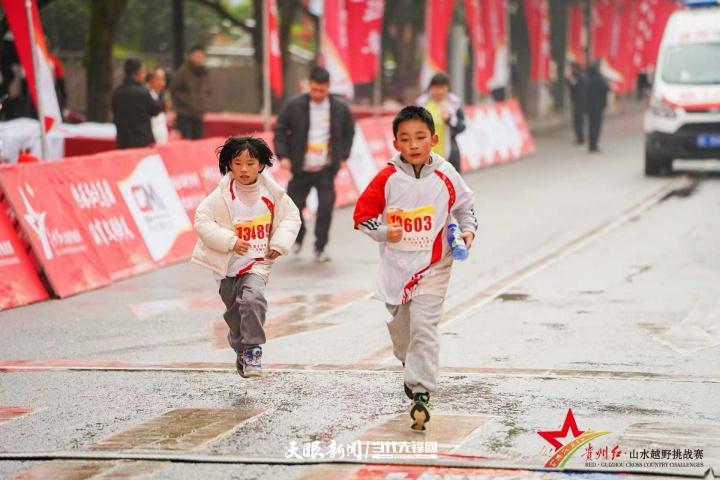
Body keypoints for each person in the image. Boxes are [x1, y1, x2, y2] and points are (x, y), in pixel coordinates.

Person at [353, 106, 477, 431]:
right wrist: (384, 232)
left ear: (434, 139)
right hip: (397, 269)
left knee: (425, 327)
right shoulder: (387, 177)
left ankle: (421, 391)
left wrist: (468, 232)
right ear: (396, 143)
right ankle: (409, 361)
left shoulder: (447, 174)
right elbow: (362, 216)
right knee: (404, 331)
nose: (414, 144)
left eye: (421, 137)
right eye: (406, 139)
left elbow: (466, 209)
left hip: (435, 265)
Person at [191, 136, 301, 378]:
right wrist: (230, 241)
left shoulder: (272, 194)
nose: (244, 169)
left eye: (250, 163)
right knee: (234, 313)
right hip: (227, 267)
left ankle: (253, 349)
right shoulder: (221, 195)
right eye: (237, 163)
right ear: (228, 164)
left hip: (258, 264)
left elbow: (292, 218)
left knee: (252, 301)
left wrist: (279, 244)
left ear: (261, 165)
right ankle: (240, 347)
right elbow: (201, 220)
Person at [274, 66, 355, 262]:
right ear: (308, 86)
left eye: (322, 90)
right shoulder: (295, 106)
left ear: (328, 87)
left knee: (326, 206)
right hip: (301, 167)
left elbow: (349, 133)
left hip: (326, 168)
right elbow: (280, 129)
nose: (318, 94)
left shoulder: (339, 108)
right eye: (314, 89)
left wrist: (343, 156)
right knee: (294, 206)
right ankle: (299, 237)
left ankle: (320, 246)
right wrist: (283, 155)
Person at [416, 73, 466, 172]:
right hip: (426, 154)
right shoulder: (422, 104)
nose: (439, 91)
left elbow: (462, 127)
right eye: (436, 87)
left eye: (442, 87)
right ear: (430, 88)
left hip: (448, 153)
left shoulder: (453, 104)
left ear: (447, 88)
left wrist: (449, 120)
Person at [111, 59, 162, 149]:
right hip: (142, 140)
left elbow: (114, 110)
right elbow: (155, 110)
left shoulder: (116, 92)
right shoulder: (143, 92)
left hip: (123, 140)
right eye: (143, 71)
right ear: (137, 73)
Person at [169, 44, 211, 140]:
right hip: (185, 115)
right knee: (186, 141)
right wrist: (187, 101)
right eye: (197, 56)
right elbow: (174, 89)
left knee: (198, 142)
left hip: (199, 114)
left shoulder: (204, 72)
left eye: (202, 56)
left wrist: (204, 102)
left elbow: (208, 90)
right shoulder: (183, 72)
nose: (199, 58)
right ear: (190, 56)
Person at [585, 61, 609, 153]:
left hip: (589, 106)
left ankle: (591, 144)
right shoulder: (599, 79)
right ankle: (594, 145)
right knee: (596, 126)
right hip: (598, 106)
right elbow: (606, 88)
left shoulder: (588, 79)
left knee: (591, 126)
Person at [146, 68, 170, 145]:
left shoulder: (162, 96)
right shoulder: (146, 96)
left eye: (163, 80)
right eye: (158, 79)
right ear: (150, 81)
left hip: (162, 134)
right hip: (151, 136)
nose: (162, 83)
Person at [566, 61, 586, 145]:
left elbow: (572, 85)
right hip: (580, 101)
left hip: (578, 101)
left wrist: (568, 79)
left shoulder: (577, 76)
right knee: (579, 120)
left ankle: (580, 138)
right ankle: (580, 137)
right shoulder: (581, 76)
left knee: (578, 120)